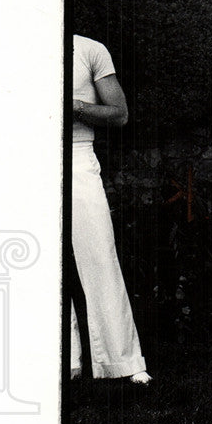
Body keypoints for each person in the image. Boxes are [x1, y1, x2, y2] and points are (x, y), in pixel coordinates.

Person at [70, 35, 151, 384]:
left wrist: (73, 106)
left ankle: (124, 363)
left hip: (76, 155)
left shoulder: (89, 49)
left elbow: (119, 114)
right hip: (22, 154)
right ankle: (65, 361)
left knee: (99, 255)